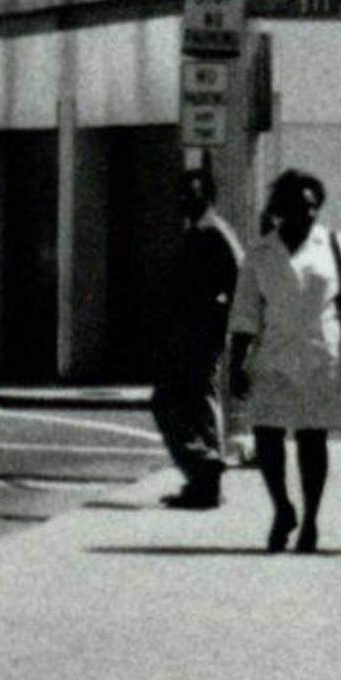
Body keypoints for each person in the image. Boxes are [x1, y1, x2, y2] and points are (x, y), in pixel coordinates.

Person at [229, 168, 341, 551]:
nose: (308, 213)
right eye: (300, 205)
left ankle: (310, 520)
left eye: (314, 206)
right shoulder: (260, 253)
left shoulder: (335, 246)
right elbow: (245, 313)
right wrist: (236, 364)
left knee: (312, 437)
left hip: (321, 352)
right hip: (274, 350)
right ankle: (282, 508)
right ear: (282, 208)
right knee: (267, 432)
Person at [151, 163, 246, 507]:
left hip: (202, 330)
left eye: (193, 194)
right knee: (192, 400)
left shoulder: (215, 233)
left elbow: (241, 281)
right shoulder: (195, 232)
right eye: (182, 194)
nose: (185, 201)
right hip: (186, 329)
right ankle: (204, 477)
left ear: (208, 197)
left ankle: (204, 465)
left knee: (174, 399)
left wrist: (220, 316)